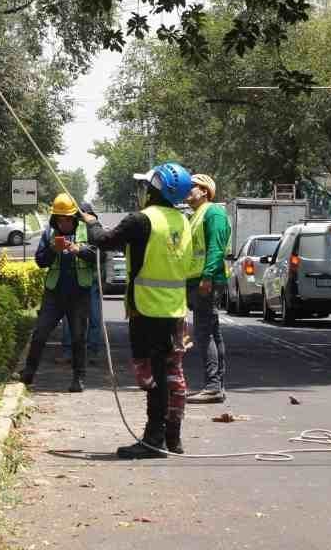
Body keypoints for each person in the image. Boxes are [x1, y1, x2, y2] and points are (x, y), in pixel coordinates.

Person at [82, 163, 195, 458]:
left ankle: (153, 440)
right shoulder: (182, 221)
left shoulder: (141, 220)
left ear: (154, 188)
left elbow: (101, 241)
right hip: (176, 311)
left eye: (145, 186)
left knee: (153, 376)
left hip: (147, 310)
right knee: (173, 373)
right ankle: (173, 437)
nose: (142, 191)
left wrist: (91, 220)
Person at [18, 193, 98, 393]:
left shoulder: (86, 231)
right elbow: (40, 261)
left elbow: (98, 256)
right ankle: (28, 372)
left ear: (74, 218)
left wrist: (77, 249)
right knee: (40, 333)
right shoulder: (49, 233)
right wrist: (53, 249)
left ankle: (78, 378)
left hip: (79, 293)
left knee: (79, 338)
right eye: (59, 219)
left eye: (67, 219)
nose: (63, 223)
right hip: (54, 293)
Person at [185, 173, 231, 404]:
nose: (187, 191)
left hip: (207, 280)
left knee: (203, 334)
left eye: (191, 187)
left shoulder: (213, 212)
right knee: (211, 332)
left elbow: (216, 248)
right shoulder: (196, 215)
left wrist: (207, 277)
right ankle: (217, 386)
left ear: (204, 191)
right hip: (198, 279)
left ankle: (213, 386)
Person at [60, 202, 104, 365]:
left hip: (91, 282)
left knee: (94, 318)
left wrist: (80, 251)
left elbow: (102, 256)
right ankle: (68, 351)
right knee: (69, 318)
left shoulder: (96, 231)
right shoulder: (69, 230)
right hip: (72, 282)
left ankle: (92, 352)